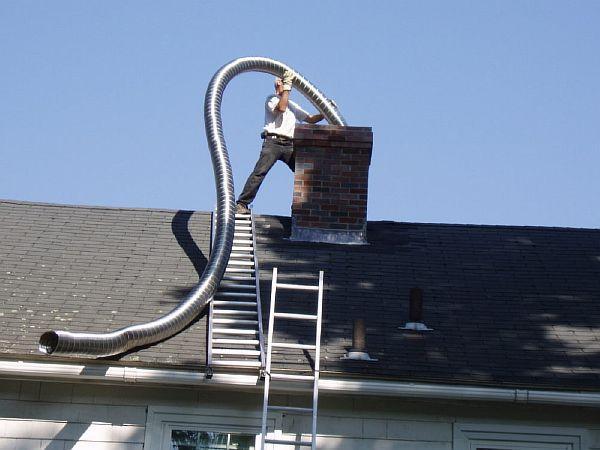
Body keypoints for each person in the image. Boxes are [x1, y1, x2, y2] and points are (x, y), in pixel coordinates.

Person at [235, 70, 324, 214]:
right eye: (283, 82)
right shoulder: (272, 99)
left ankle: (302, 209)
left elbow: (311, 119)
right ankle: (242, 203)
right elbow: (281, 108)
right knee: (260, 172)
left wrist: (325, 110)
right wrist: (286, 88)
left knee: (304, 173)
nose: (284, 84)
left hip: (290, 145)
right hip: (273, 143)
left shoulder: (292, 105)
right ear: (278, 84)